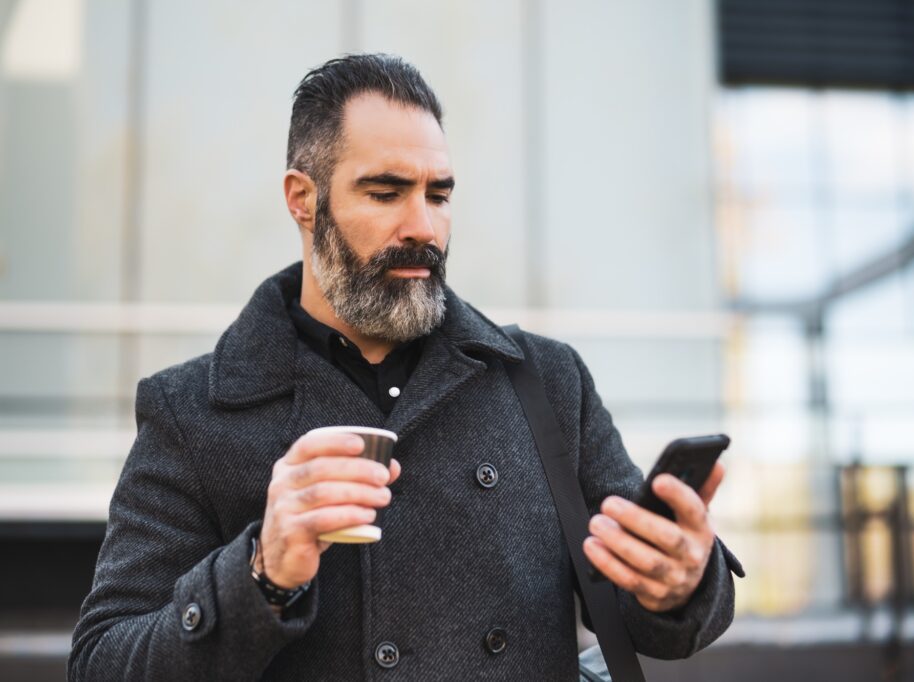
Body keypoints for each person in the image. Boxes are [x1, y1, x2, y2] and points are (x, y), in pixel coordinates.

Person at [69, 54, 742, 681]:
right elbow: (103, 663)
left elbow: (647, 611)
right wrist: (261, 574)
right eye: (386, 192)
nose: (423, 226)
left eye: (438, 195)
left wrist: (680, 580)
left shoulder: (545, 380)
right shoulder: (193, 411)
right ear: (303, 199)